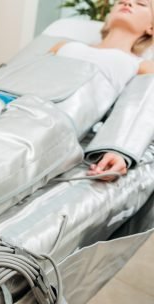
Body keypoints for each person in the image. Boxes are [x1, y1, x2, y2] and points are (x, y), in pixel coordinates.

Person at [49, 0, 154, 181]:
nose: (128, 3)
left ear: (151, 28)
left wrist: (117, 150)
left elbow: (138, 109)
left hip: (58, 120)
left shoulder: (143, 67)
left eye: (140, 4)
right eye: (122, 1)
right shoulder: (63, 46)